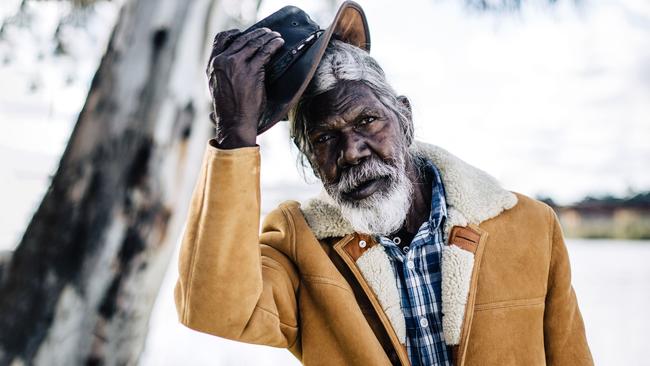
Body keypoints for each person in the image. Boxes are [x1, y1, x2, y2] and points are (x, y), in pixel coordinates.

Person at [174, 2, 593, 365]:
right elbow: (212, 309)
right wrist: (235, 134)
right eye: (323, 138)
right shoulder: (298, 243)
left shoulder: (530, 227)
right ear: (310, 160)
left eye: (367, 120)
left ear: (405, 118)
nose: (352, 150)